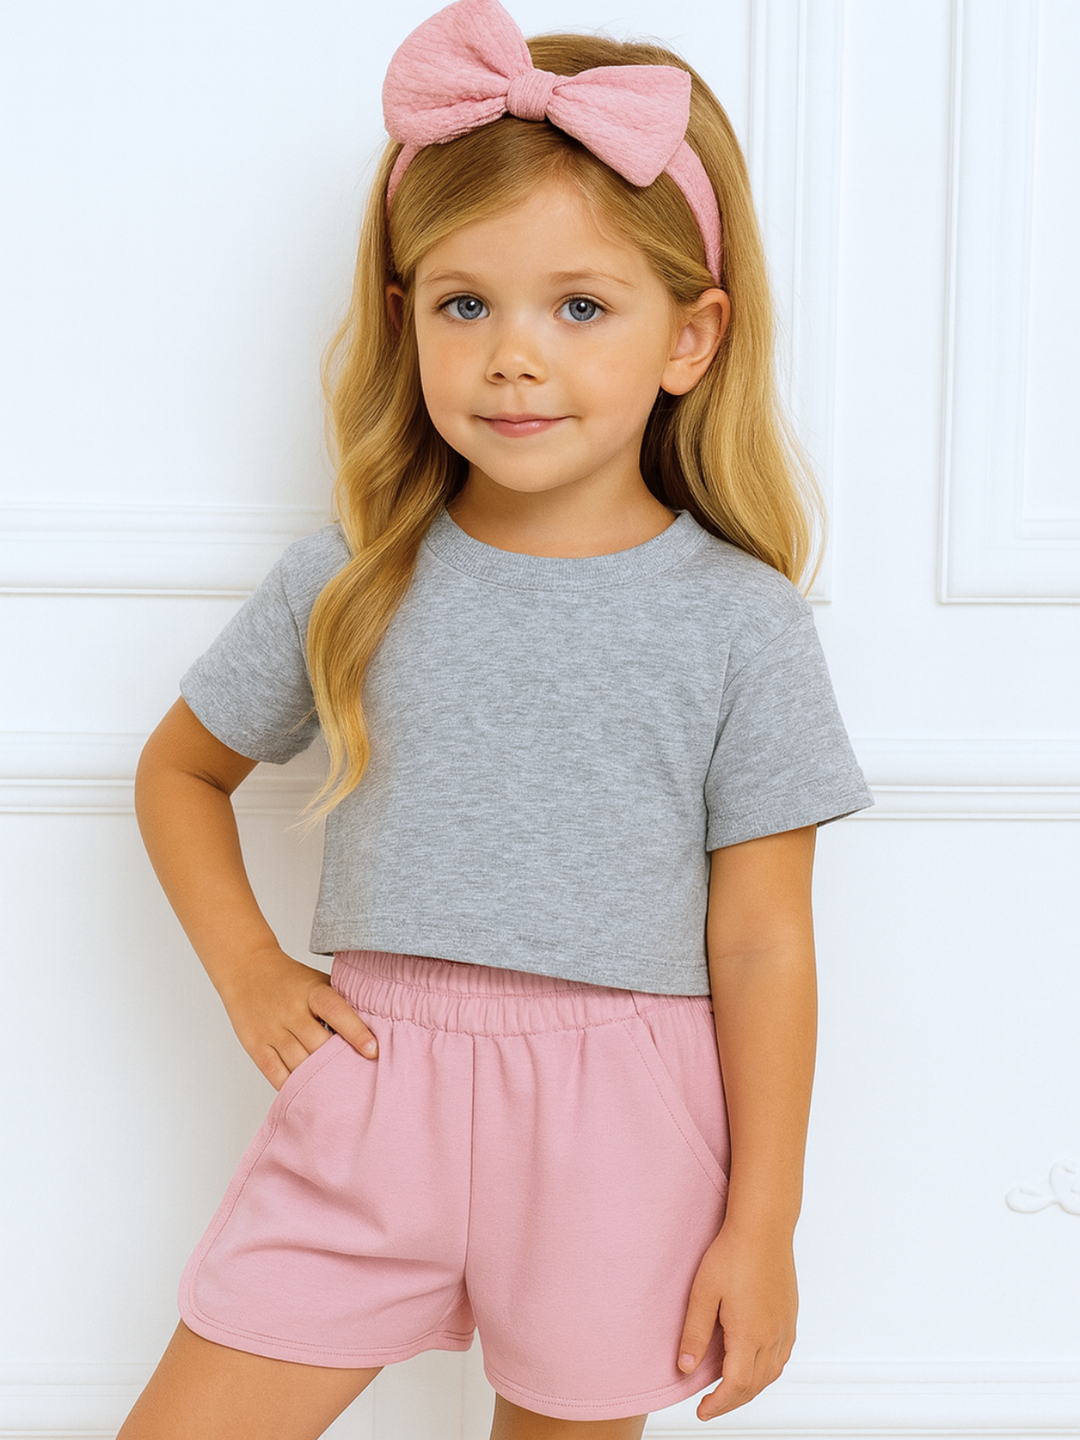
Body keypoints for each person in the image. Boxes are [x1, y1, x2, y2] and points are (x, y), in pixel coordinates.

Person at [118, 1, 873, 1436]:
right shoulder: (350, 578)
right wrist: (252, 972)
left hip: (621, 1125)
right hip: (370, 1089)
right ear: (407, 318)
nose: (514, 356)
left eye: (580, 307)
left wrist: (762, 1224)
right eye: (466, 305)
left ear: (691, 336)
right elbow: (179, 772)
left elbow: (766, 938)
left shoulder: (742, 623)